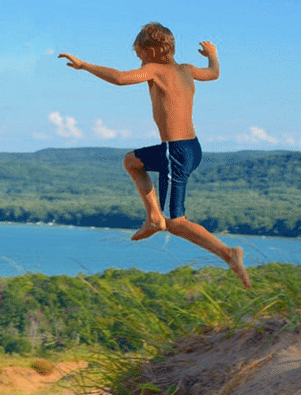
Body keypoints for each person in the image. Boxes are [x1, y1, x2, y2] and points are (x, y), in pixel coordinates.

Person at [58, 22, 250, 288]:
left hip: (176, 151)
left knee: (176, 222)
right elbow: (213, 73)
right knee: (131, 161)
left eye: (139, 53)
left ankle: (227, 253)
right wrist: (212, 54)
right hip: (192, 148)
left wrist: (84, 66)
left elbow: (120, 78)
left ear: (153, 50)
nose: (137, 58)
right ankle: (153, 218)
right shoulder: (186, 70)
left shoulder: (155, 70)